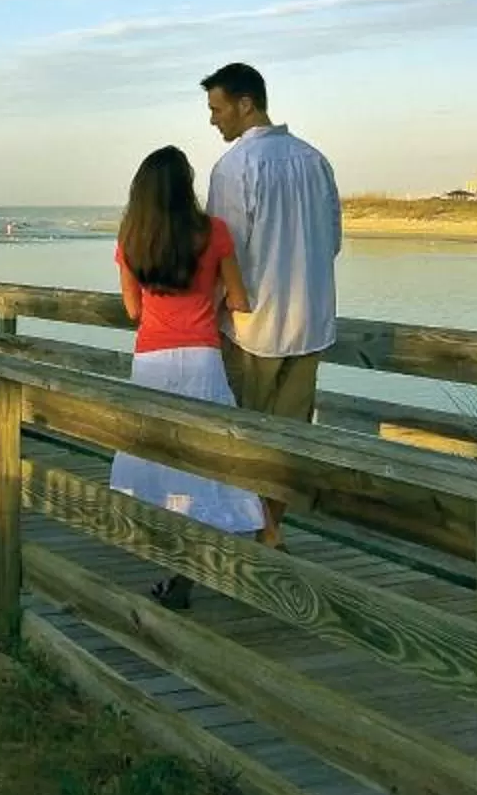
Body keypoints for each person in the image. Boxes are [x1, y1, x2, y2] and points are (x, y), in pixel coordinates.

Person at [108, 146, 268, 592]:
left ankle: (163, 544)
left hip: (152, 358)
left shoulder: (132, 237)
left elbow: (131, 308)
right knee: (209, 452)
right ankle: (212, 547)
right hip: (201, 356)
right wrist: (212, 295)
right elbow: (240, 300)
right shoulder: (212, 233)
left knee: (154, 448)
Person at [200, 61, 341, 545]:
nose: (213, 120)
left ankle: (256, 533)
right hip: (313, 323)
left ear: (245, 104)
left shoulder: (235, 167)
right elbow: (334, 241)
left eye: (218, 109)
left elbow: (226, 253)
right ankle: (272, 528)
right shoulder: (315, 160)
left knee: (246, 437)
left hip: (253, 325)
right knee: (290, 440)